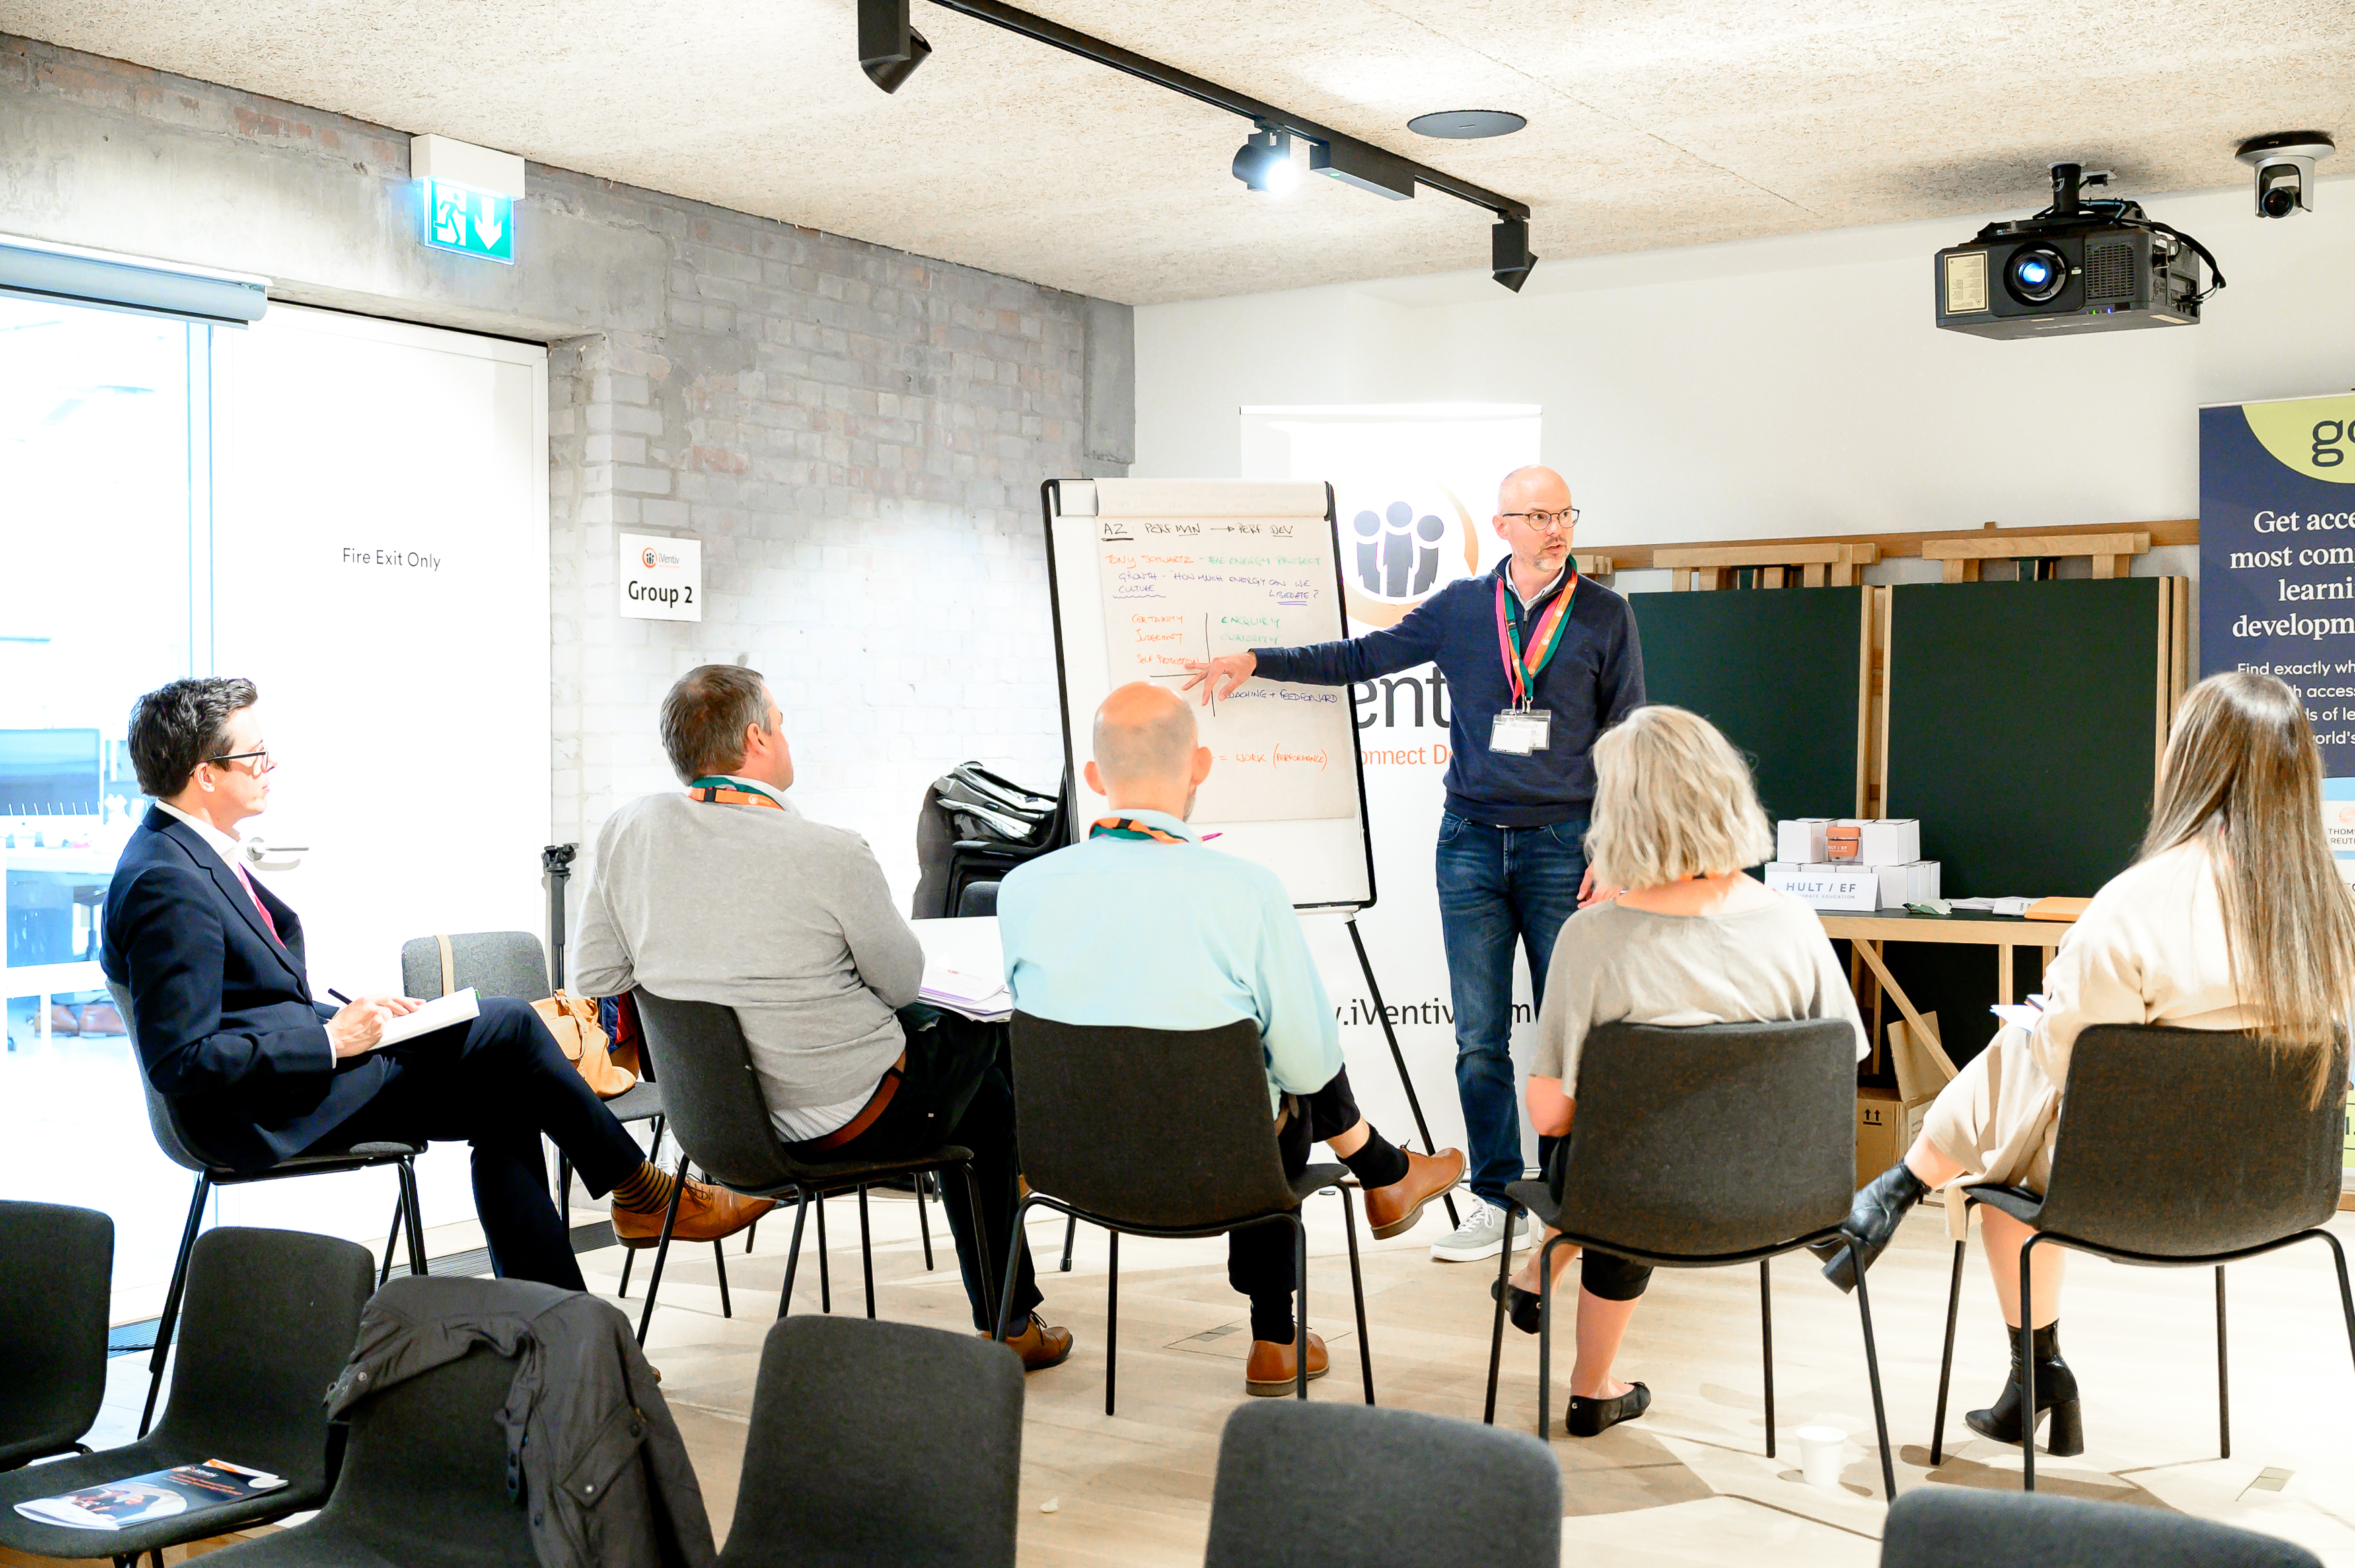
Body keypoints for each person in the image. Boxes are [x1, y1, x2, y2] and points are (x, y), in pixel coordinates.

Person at [1823, 671, 2355, 1456]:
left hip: (2128, 1190)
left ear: (2190, 765)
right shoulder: (2330, 913)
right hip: (2275, 1193)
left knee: (2005, 1142)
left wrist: (2042, 1023)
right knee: (2026, 1073)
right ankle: (2010, 1350)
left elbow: (2074, 1069)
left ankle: (1908, 1197)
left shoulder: (2134, 906)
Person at [100, 677, 766, 1291]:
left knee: (506, 1096)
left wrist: (351, 1016)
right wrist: (332, 1044)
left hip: (295, 1080)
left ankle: (563, 1326)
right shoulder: (167, 881)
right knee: (507, 1023)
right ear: (204, 776)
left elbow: (248, 1001)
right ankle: (640, 1194)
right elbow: (182, 1061)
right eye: (256, 756)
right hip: (260, 1111)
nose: (270, 768)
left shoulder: (186, 855)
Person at [1185, 464, 1645, 1264]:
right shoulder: (1464, 609)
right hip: (1467, 844)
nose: (1553, 528)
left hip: (1563, 848)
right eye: (1534, 516)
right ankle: (1497, 1199)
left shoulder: (1605, 615)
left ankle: (1573, 1200)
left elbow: (1630, 735)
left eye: (1562, 513)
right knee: (1477, 1040)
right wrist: (1256, 660)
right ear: (1500, 526)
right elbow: (1359, 657)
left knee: (1571, 1036)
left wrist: (1612, 848)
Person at [571, 664, 1071, 1370]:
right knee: (986, 1064)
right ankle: (1010, 1313)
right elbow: (901, 982)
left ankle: (1015, 1241)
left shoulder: (629, 830)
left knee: (979, 1083)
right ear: (754, 736)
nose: (785, 731)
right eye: (779, 719)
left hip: (715, 1125)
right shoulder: (827, 851)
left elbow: (595, 976)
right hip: (841, 1112)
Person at [997, 682, 1465, 1394]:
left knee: (1253, 1080)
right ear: (1201, 766)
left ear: (1094, 779)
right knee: (1275, 1079)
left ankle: (1384, 1176)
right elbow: (1309, 1065)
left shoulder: (1022, 888)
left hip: (1077, 1168)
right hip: (1223, 1167)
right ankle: (1277, 1335)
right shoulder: (1245, 891)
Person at [1511, 706, 1867, 1437]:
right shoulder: (1793, 922)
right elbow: (1839, 1069)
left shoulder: (1591, 940)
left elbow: (1549, 1116)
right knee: (1632, 1149)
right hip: (1779, 1203)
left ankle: (1584, 1364)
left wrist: (1643, 1106)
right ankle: (1575, 1341)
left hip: (1635, 1205)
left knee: (1608, 1151)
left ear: (1618, 813)